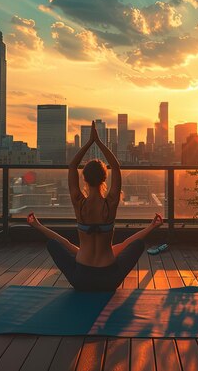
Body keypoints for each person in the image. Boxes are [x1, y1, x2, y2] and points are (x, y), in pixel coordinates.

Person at [27, 121, 163, 291]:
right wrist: (99, 142)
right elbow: (115, 166)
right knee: (138, 244)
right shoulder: (110, 204)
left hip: (81, 279)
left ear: (84, 178)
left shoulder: (79, 203)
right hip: (109, 279)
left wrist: (38, 226)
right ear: (104, 178)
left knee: (52, 244)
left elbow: (72, 167)